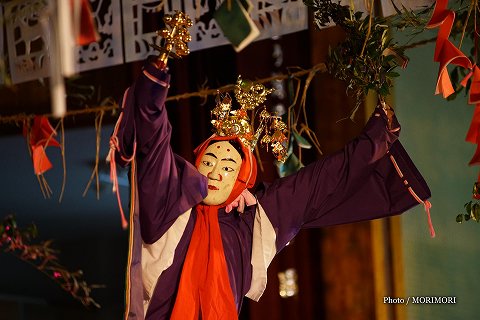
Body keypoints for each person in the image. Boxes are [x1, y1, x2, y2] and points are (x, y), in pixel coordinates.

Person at [107, 56, 431, 320]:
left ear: (242, 180)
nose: (216, 172)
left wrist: (374, 139)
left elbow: (319, 182)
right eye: (208, 162)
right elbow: (154, 152)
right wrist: (151, 97)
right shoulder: (173, 206)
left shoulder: (253, 221)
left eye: (229, 166)